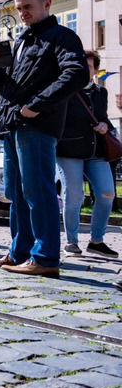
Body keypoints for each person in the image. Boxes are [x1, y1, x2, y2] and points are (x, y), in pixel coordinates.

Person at [0, 0, 88, 278]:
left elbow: (77, 73)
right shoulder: (22, 41)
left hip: (37, 124)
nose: (22, 13)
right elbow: (7, 86)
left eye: (27, 7)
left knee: (37, 191)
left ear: (47, 4)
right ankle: (20, 253)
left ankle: (45, 257)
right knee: (15, 192)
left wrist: (37, 105)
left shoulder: (62, 36)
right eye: (18, 8)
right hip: (12, 124)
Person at [56, 49, 118, 258]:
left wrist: (104, 125)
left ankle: (96, 241)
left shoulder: (101, 92)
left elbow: (103, 118)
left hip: (96, 151)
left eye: (89, 66)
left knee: (107, 193)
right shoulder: (64, 89)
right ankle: (71, 242)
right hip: (69, 150)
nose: (84, 70)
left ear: (96, 70)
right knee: (74, 196)